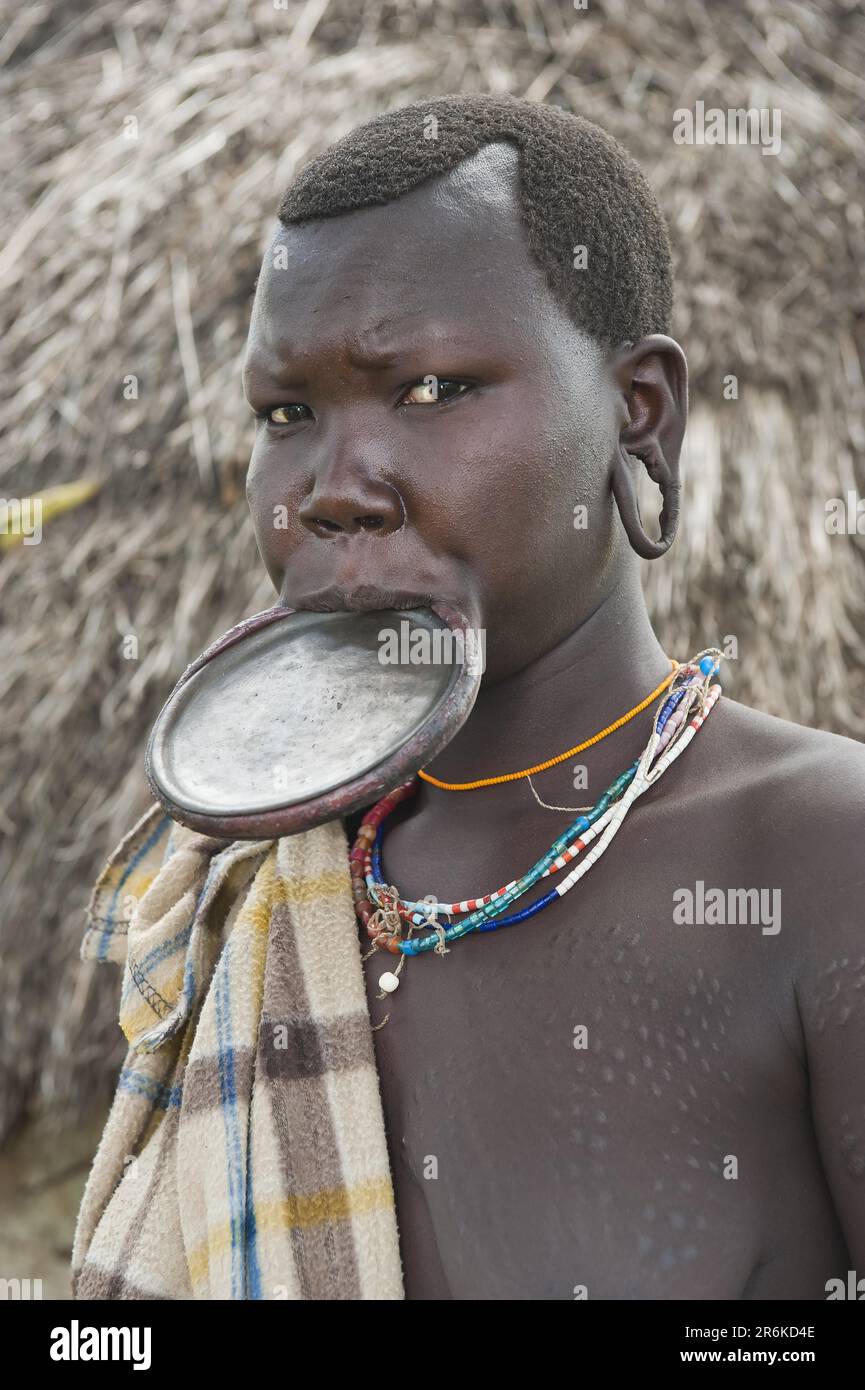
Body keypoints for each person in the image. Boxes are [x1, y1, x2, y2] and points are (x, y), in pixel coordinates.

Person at [77, 93, 865, 1300]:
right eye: (286, 414)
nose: (334, 488)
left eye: (431, 390)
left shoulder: (820, 859)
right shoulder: (252, 897)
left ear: (638, 413)